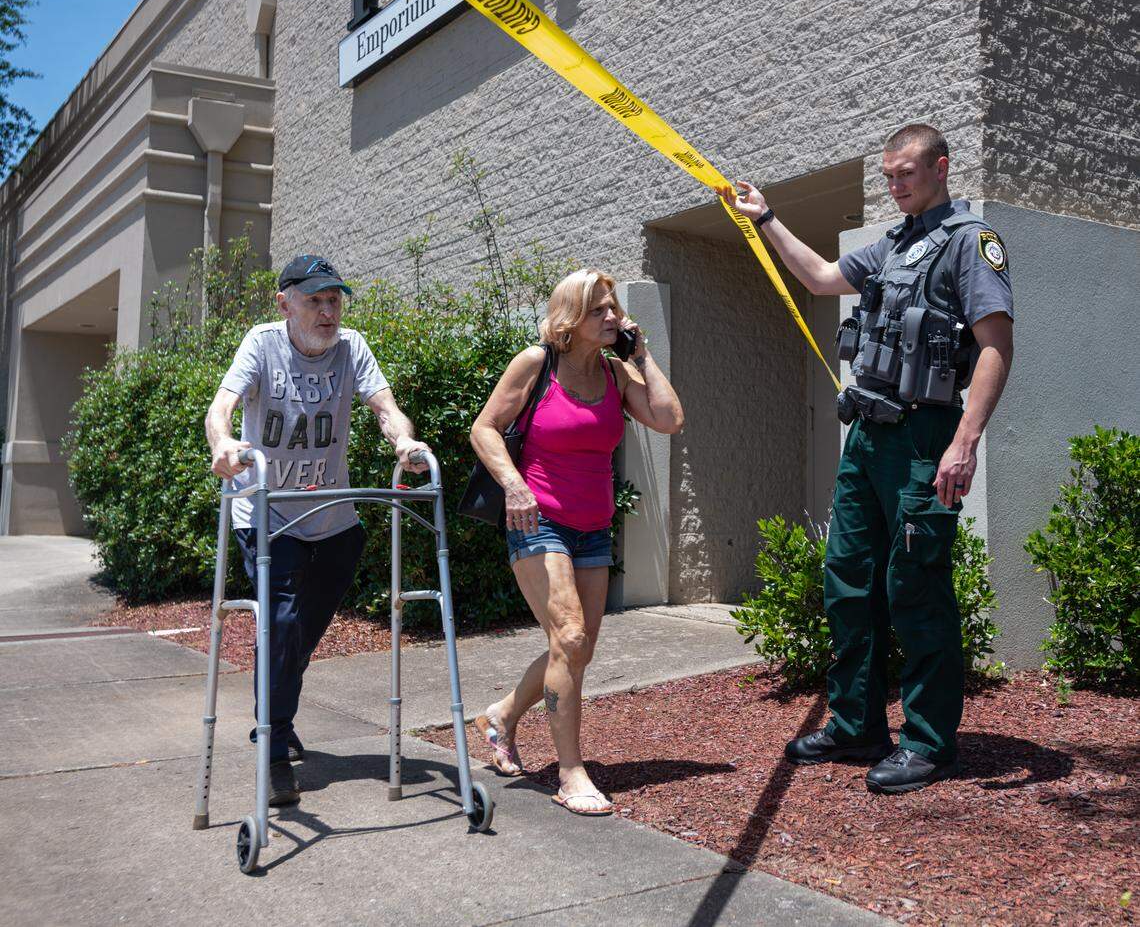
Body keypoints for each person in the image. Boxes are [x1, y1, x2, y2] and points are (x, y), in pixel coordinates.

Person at [718, 123, 1014, 794]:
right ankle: (856, 724)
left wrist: (964, 441)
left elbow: (996, 345)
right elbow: (822, 278)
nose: (894, 183)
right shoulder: (895, 243)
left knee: (915, 586)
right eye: (887, 175)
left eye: (905, 171)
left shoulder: (970, 244)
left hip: (922, 437)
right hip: (867, 436)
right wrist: (765, 218)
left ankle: (931, 743)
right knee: (847, 579)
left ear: (941, 166)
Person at [205, 254, 430, 807]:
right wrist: (223, 445)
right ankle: (275, 749)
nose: (328, 311)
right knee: (279, 628)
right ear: (285, 304)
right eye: (315, 300)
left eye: (334, 300)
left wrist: (403, 440)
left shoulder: (352, 347)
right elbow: (221, 409)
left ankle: (277, 705)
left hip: (333, 521)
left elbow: (386, 408)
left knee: (297, 641)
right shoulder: (262, 343)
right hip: (267, 515)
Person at [469, 269, 684, 815]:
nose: (612, 317)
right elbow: (484, 428)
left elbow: (668, 419)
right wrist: (514, 485)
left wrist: (641, 355)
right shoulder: (536, 364)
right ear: (570, 317)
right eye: (599, 311)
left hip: (593, 526)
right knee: (568, 632)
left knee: (577, 647)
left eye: (613, 308)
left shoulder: (616, 374)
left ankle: (500, 716)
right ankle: (570, 773)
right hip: (537, 519)